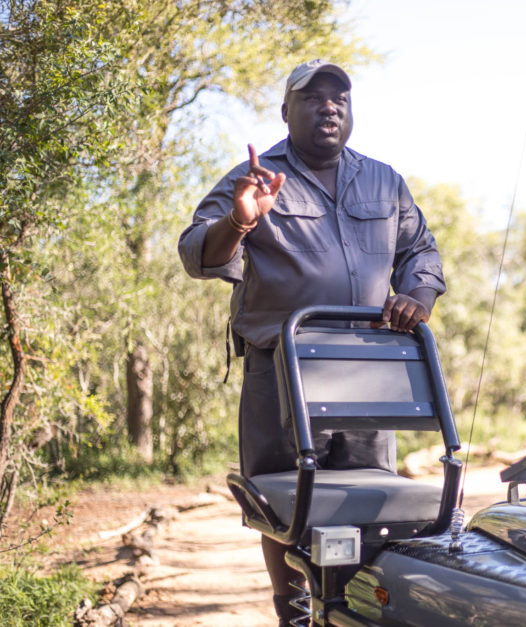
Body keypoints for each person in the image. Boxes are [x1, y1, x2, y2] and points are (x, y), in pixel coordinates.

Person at [177, 59, 446, 625]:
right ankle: (294, 610)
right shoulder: (253, 177)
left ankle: (353, 608)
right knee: (284, 501)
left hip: (370, 372)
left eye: (340, 99)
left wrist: (416, 296)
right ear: (286, 111)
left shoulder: (383, 179)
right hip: (282, 370)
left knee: (367, 500)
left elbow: (420, 252)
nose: (330, 107)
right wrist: (241, 221)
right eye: (314, 98)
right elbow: (198, 254)